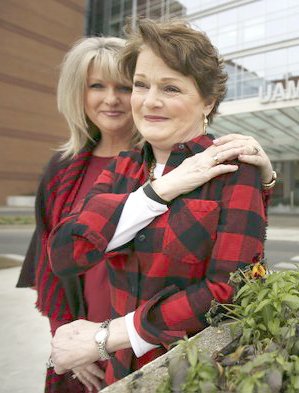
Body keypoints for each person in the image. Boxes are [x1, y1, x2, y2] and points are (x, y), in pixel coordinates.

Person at [47, 18, 277, 388]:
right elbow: (64, 254)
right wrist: (155, 193)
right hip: (120, 373)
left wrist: (107, 337)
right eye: (141, 85)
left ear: (209, 101)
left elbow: (230, 290)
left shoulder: (233, 168)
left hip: (190, 371)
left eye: (170, 88)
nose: (149, 101)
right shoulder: (122, 168)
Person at [16, 36, 138, 393]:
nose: (111, 98)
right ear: (78, 93)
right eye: (96, 86)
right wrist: (67, 341)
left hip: (143, 340)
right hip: (80, 351)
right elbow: (49, 265)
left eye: (124, 87)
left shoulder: (162, 162)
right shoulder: (61, 169)